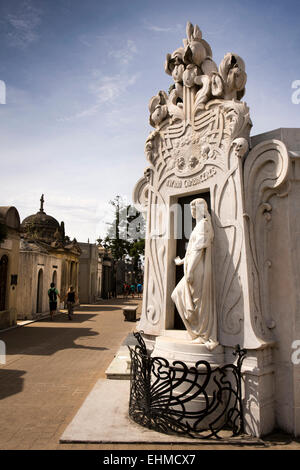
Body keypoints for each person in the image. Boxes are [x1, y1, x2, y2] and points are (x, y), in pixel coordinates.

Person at [171, 198, 218, 350]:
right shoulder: (198, 226)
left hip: (197, 269)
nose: (191, 210)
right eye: (190, 208)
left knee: (198, 302)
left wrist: (190, 270)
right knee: (178, 295)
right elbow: (192, 250)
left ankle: (203, 334)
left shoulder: (203, 224)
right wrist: (182, 261)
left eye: (194, 207)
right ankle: (196, 331)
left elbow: (198, 251)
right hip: (192, 266)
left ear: (201, 209)